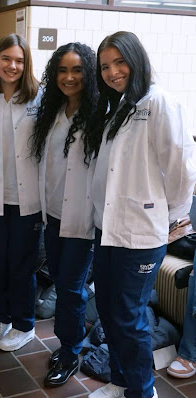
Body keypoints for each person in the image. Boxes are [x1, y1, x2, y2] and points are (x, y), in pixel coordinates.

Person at [86, 31, 196, 398]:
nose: (113, 71)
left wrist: (171, 219)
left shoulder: (160, 102)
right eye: (105, 66)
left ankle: (142, 390)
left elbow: (181, 169)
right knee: (108, 308)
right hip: (109, 230)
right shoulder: (121, 105)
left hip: (142, 232)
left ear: (137, 59)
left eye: (120, 62)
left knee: (129, 318)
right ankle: (120, 381)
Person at [31, 42, 98, 387]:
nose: (69, 77)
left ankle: (70, 350)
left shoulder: (98, 114)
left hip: (81, 220)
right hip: (53, 215)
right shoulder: (52, 111)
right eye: (62, 70)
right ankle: (69, 342)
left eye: (77, 70)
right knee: (62, 280)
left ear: (88, 73)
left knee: (70, 287)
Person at [0, 34, 42, 352]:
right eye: (6, 59)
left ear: (26, 63)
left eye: (19, 60)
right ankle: (2, 317)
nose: (12, 66)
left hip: (27, 200)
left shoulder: (39, 98)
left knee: (20, 264)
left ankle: (24, 324)